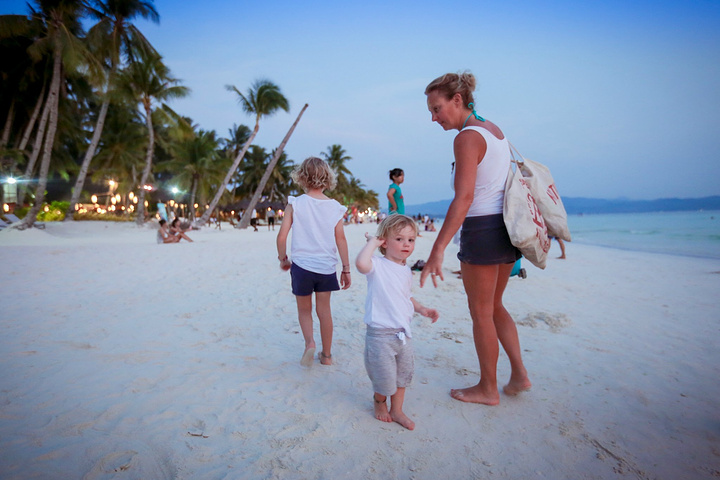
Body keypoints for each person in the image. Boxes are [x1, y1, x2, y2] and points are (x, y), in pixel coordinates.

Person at [420, 71, 531, 405]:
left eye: (437, 108)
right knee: (495, 306)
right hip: (505, 231)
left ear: (457, 100)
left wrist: (438, 248)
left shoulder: (466, 137)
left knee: (481, 312)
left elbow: (464, 198)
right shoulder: (493, 130)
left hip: (482, 231)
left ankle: (488, 389)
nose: (433, 117)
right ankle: (519, 375)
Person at [356, 214, 439, 430]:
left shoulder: (405, 269)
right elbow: (360, 264)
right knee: (384, 378)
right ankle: (379, 402)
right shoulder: (377, 265)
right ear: (385, 241)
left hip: (403, 333)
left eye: (410, 240)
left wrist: (421, 309)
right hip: (381, 335)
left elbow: (405, 296)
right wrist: (373, 243)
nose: (406, 244)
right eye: (399, 239)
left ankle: (397, 410)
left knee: (403, 376)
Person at [276, 157, 351, 367]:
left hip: (301, 267)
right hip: (326, 267)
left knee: (304, 310)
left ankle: (310, 344)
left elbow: (281, 237)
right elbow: (341, 239)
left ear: (301, 177)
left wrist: (283, 259)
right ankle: (327, 356)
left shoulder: (295, 204)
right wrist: (346, 268)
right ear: (328, 178)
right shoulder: (335, 207)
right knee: (324, 310)